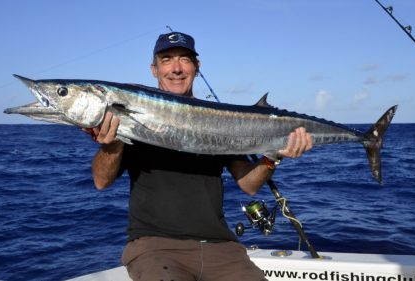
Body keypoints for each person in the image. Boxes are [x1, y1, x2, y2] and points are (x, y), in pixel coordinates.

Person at [87, 31, 313, 281]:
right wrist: (111, 145)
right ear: (154, 69)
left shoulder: (219, 121)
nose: (176, 68)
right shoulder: (130, 115)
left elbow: (249, 185)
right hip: (156, 248)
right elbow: (101, 181)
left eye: (184, 59)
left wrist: (273, 157)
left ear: (197, 67)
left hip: (222, 247)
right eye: (166, 60)